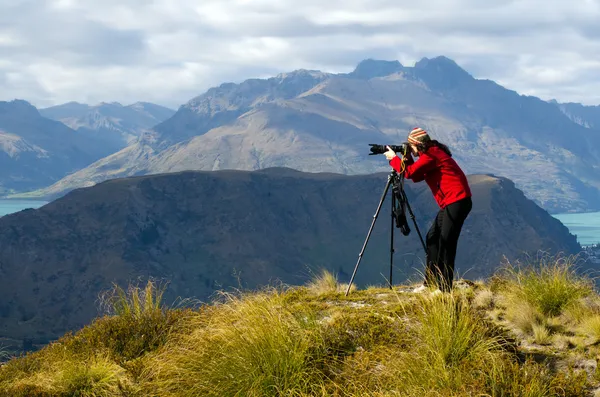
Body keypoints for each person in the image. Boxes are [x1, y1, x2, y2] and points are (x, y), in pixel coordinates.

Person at [384, 127, 472, 293]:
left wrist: (393, 159)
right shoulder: (430, 154)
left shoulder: (432, 155)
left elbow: (409, 174)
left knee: (446, 244)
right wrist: (407, 156)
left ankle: (444, 288)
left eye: (411, 147)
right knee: (432, 238)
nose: (411, 150)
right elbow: (416, 176)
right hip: (451, 203)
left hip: (458, 201)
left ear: (418, 144)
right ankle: (430, 282)